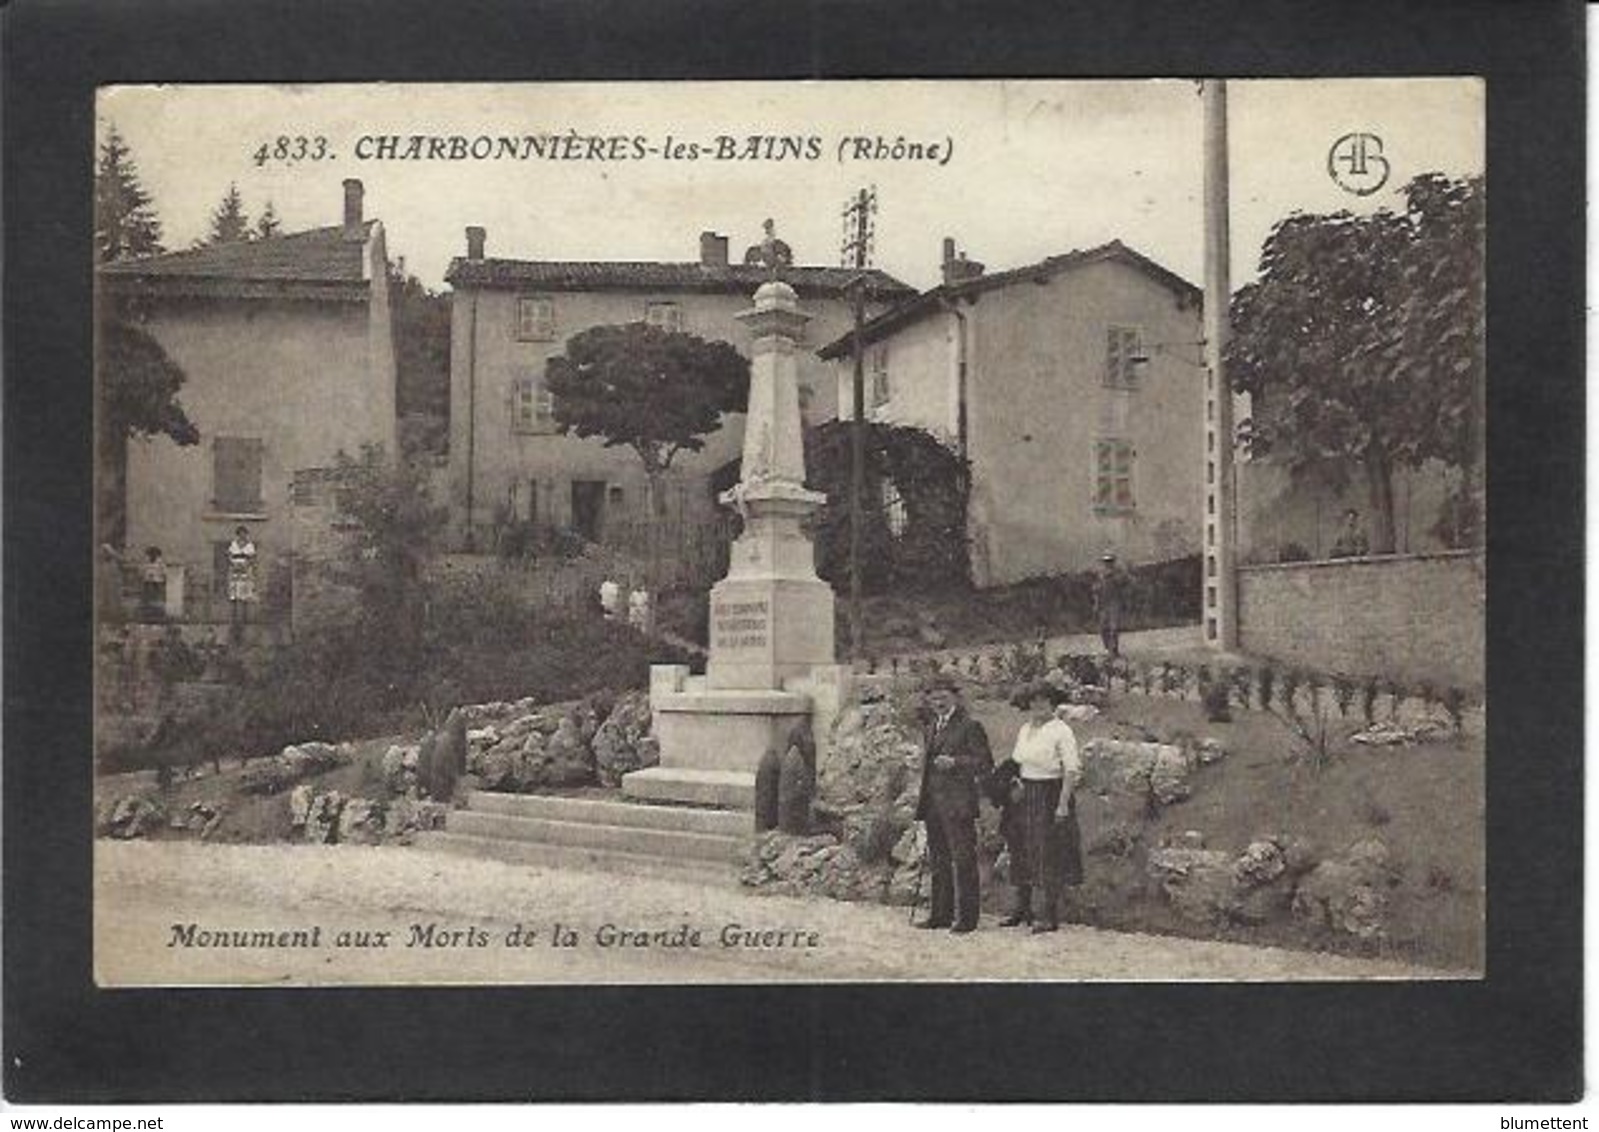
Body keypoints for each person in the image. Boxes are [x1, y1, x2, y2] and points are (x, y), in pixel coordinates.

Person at [1000, 681, 1085, 932]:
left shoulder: (1061, 730)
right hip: (1024, 794)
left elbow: (1071, 769)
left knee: (1047, 852)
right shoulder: (1025, 728)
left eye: (1044, 700)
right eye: (1033, 701)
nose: (1038, 705)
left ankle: (1049, 914)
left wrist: (1062, 805)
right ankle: (1022, 908)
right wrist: (1014, 784)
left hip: (1050, 793)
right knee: (1020, 847)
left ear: (1052, 703)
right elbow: (1017, 762)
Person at [914, 672, 993, 934]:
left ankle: (968, 919)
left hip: (958, 804)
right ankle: (940, 914)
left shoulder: (969, 726)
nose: (938, 703)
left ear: (954, 697)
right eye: (933, 698)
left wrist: (956, 762)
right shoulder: (932, 727)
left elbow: (984, 763)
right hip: (934, 804)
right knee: (938, 861)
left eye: (943, 697)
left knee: (963, 861)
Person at [1093, 551, 1128, 658]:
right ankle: (1109, 648)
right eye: (1106, 561)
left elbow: (1123, 583)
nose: (1108, 563)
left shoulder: (1119, 573)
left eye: (1110, 561)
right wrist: (1096, 604)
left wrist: (1113, 577)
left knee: (1114, 628)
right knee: (1103, 629)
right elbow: (1096, 590)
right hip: (1103, 604)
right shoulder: (1100, 574)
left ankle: (1114, 650)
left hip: (1115, 603)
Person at [226, 525, 257, 638]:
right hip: (235, 573)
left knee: (244, 597)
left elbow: (252, 559)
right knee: (234, 597)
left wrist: (245, 565)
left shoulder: (250, 546)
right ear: (237, 534)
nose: (242, 536)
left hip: (245, 573)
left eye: (244, 533)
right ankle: (234, 622)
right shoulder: (233, 545)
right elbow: (229, 557)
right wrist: (235, 565)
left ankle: (244, 621)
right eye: (240, 534)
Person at [139, 546, 167, 622]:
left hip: (157, 583)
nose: (152, 555)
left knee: (156, 598)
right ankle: (147, 615)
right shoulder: (146, 562)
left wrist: (159, 579)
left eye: (154, 554)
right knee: (148, 598)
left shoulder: (160, 563)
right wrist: (146, 576)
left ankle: (157, 614)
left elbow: (164, 573)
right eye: (151, 554)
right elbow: (141, 571)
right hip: (148, 582)